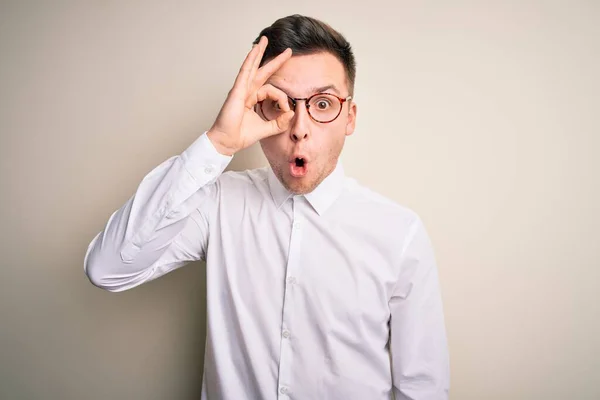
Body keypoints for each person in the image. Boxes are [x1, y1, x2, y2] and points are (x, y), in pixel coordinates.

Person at [84, 14, 449, 400]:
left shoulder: (399, 233)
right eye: (282, 104)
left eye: (323, 104)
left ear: (349, 118)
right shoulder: (218, 202)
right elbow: (108, 269)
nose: (300, 128)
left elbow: (421, 389)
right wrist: (219, 142)